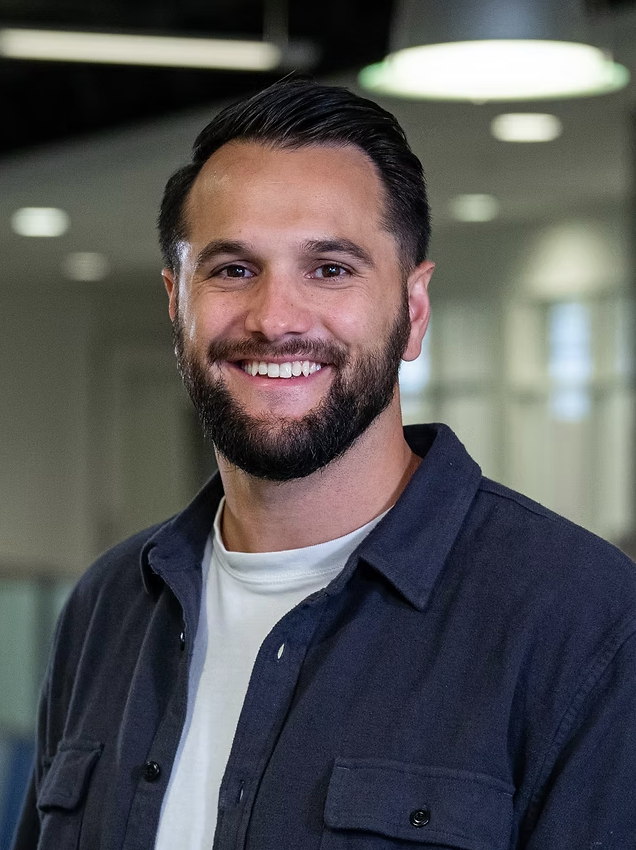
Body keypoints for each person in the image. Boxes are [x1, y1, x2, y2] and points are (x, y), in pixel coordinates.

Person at [12, 79, 636, 850]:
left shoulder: (582, 620)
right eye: (233, 269)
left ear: (413, 311)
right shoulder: (108, 607)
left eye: (331, 269)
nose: (275, 318)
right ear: (176, 304)